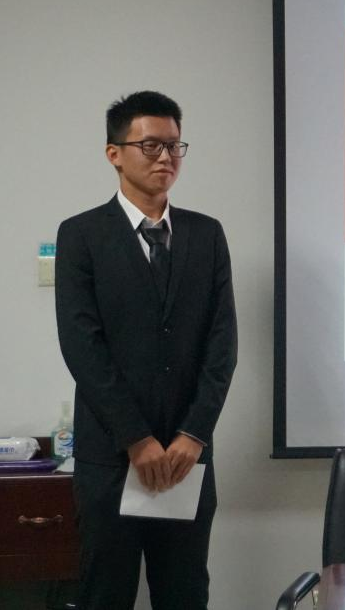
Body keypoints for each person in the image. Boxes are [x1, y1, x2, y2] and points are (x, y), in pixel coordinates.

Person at [55, 91, 237, 610]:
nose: (166, 157)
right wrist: (137, 439)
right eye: (151, 145)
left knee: (184, 593)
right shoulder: (82, 236)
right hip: (112, 458)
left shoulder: (206, 235)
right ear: (114, 153)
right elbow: (83, 347)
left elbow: (222, 344)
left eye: (175, 145)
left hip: (185, 458)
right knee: (106, 593)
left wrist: (194, 435)